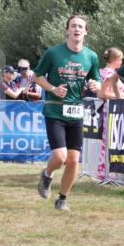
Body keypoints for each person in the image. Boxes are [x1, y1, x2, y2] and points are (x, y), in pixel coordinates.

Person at [33, 14, 101, 211]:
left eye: (81, 26)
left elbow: (96, 81)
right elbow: (37, 76)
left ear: (86, 31)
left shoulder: (91, 56)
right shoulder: (54, 53)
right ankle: (47, 174)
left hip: (76, 113)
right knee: (61, 157)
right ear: (67, 30)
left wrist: (95, 84)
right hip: (55, 110)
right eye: (73, 26)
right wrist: (53, 88)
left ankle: (62, 199)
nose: (77, 29)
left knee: (73, 160)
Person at [96, 47, 124, 181]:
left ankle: (105, 171)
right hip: (111, 109)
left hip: (110, 109)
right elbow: (103, 93)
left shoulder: (101, 72)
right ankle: (106, 172)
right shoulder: (109, 74)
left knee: (107, 141)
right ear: (115, 60)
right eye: (121, 59)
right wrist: (121, 96)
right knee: (110, 140)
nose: (122, 62)